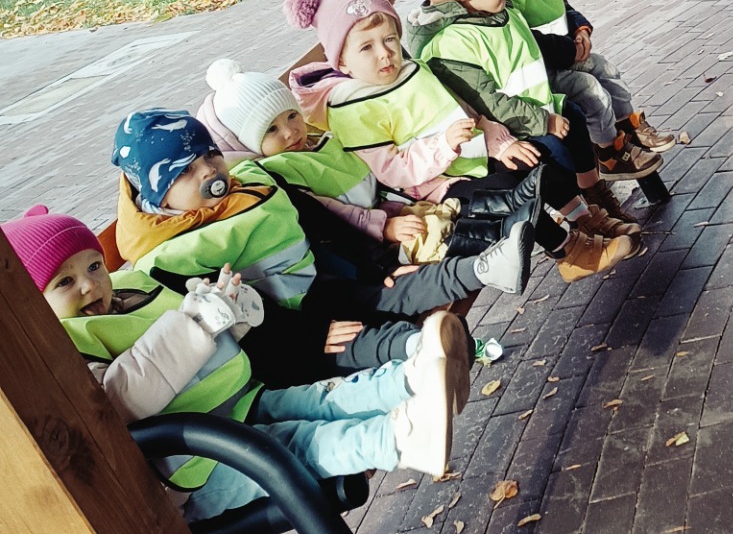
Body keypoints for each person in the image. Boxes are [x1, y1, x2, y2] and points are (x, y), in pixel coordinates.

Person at [4, 203, 461, 500]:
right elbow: (121, 397)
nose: (89, 285)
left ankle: (412, 378)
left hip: (238, 401)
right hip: (199, 460)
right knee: (296, 448)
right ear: (31, 305)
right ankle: (399, 440)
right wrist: (202, 321)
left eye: (93, 266)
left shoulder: (128, 292)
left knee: (320, 400)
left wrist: (232, 311)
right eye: (65, 282)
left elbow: (194, 338)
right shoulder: (62, 345)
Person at [297, 0, 641, 281]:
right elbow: (392, 171)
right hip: (429, 189)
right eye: (367, 48)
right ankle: (569, 253)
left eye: (389, 39)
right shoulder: (352, 109)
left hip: (467, 157)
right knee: (507, 190)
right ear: (342, 62)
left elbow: (465, 112)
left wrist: (501, 144)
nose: (385, 53)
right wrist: (445, 145)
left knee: (529, 159)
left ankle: (584, 219)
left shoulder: (411, 71)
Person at [111, 108, 481, 390]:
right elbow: (235, 316)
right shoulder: (167, 257)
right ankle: (423, 348)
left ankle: (483, 268)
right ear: (158, 197)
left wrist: (378, 264)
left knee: (393, 287)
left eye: (209, 156)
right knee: (349, 341)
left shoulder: (251, 185)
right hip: (282, 339)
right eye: (184, 172)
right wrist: (310, 334)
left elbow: (321, 223)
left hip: (321, 287)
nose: (208, 172)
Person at [198, 55, 533, 290]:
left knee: (448, 213)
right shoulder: (277, 171)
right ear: (249, 142)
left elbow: (372, 179)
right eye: (271, 130)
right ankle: (497, 248)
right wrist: (384, 226)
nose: (289, 132)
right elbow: (334, 213)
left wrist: (398, 208)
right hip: (368, 241)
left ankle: (511, 221)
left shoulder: (321, 141)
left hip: (391, 209)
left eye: (291, 116)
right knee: (432, 234)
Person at [437, 0, 673, 218]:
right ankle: (609, 153)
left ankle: (627, 128)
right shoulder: (500, 1)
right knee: (588, 90)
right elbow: (532, 41)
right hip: (546, 74)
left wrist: (580, 29)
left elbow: (561, 7)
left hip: (567, 54)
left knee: (604, 68)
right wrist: (570, 49)